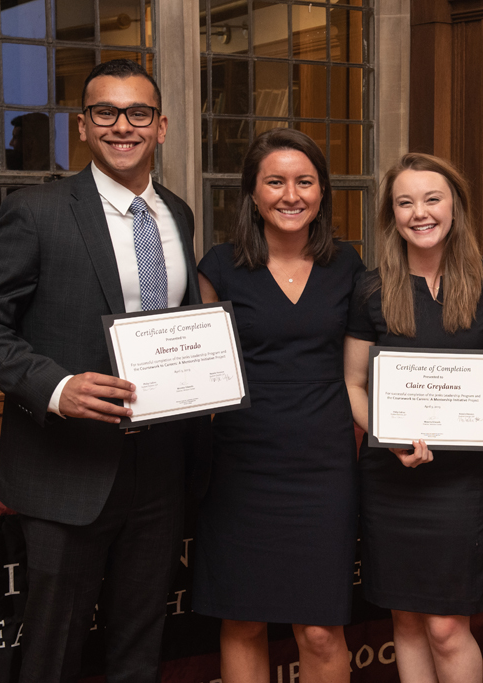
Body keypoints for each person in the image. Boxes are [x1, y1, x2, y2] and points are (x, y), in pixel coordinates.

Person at [0, 59, 206, 682]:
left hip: (159, 471)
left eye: (138, 113)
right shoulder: (37, 211)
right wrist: (58, 388)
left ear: (162, 127)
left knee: (139, 644)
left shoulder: (177, 214)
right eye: (106, 113)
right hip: (67, 469)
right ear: (83, 126)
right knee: (53, 650)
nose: (124, 126)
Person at [344, 153, 483, 683]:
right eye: (405, 202)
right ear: (392, 214)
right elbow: (353, 383)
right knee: (404, 620)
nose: (419, 213)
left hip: (459, 483)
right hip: (391, 476)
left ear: (455, 207)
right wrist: (388, 434)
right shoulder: (373, 287)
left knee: (447, 626)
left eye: (432, 199)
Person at [192, 128, 364, 683]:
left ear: (322, 193)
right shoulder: (217, 267)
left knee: (319, 629)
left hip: (324, 464)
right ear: (253, 194)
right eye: (275, 182)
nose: (291, 195)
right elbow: (196, 369)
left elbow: (367, 369)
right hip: (242, 465)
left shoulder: (351, 266)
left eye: (305, 181)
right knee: (243, 619)